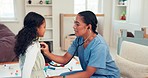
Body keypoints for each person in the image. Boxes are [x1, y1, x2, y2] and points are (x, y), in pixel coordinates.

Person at [41, 11, 120, 78]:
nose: (74, 26)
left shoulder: (99, 46)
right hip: (92, 74)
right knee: (62, 74)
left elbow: (88, 73)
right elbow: (64, 59)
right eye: (74, 23)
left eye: (77, 24)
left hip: (107, 76)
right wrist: (47, 53)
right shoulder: (79, 39)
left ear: (88, 27)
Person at [14, 12, 46, 78]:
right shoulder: (33, 46)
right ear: (37, 28)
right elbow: (27, 68)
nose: (45, 29)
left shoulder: (26, 43)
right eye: (44, 27)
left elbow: (22, 64)